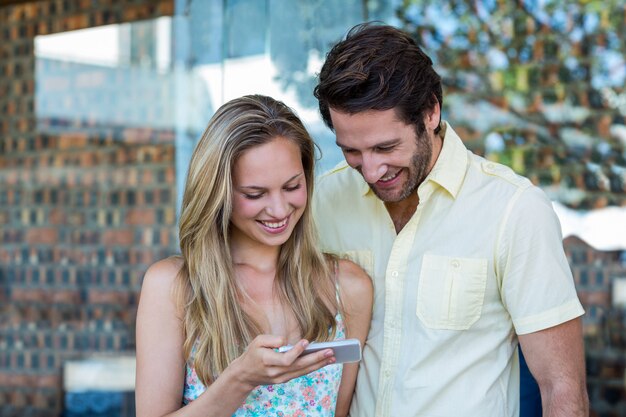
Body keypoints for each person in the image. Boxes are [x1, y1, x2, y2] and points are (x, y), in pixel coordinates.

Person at [312, 23, 588, 417]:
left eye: (385, 147)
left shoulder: (514, 210)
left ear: (430, 112)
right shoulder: (322, 203)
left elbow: (562, 389)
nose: (371, 171)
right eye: (352, 151)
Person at [135, 95, 373, 417]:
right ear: (218, 192)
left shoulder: (347, 286)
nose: (278, 210)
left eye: (292, 187)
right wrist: (241, 378)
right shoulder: (174, 286)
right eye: (255, 194)